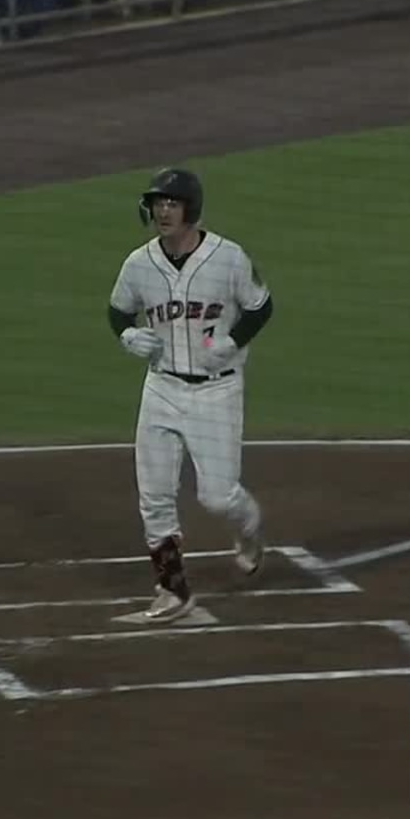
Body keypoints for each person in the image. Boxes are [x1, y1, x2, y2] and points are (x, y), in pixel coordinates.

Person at [106, 167, 275, 623]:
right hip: (161, 388)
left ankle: (251, 531)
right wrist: (128, 337)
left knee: (218, 497)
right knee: (154, 495)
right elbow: (118, 311)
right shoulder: (139, 263)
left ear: (190, 208)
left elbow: (261, 306)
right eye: (158, 203)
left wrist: (233, 342)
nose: (163, 211)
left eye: (172, 203)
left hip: (216, 394)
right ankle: (173, 590)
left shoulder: (228, 257)